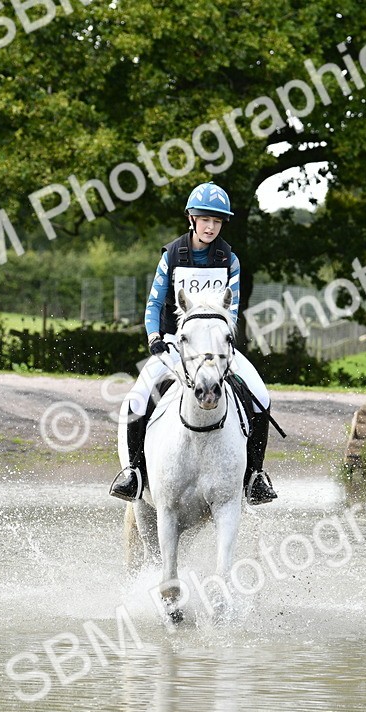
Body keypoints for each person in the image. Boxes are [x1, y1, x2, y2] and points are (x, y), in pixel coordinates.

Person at [108, 181, 278, 505]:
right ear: (191, 219)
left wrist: (222, 347)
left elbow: (232, 311)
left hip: (217, 348)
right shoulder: (172, 254)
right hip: (176, 344)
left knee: (262, 397)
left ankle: (255, 476)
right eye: (205, 219)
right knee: (137, 398)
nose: (211, 226)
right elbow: (153, 305)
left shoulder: (231, 260)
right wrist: (154, 337)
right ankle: (133, 473)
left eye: (217, 221)